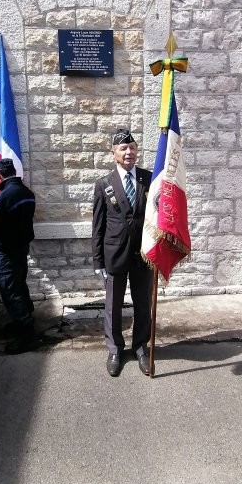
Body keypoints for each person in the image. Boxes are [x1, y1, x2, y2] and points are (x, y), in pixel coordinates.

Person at [92, 128, 153, 377]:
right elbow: (98, 226)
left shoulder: (150, 179)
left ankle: (140, 346)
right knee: (113, 306)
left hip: (144, 255)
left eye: (132, 147)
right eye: (123, 148)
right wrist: (98, 261)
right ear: (113, 153)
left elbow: (158, 216)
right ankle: (115, 349)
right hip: (114, 255)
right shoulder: (104, 184)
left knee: (142, 304)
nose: (129, 152)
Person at [0, 158, 37, 354]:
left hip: (7, 250)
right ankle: (25, 317)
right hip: (21, 247)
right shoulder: (27, 193)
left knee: (9, 288)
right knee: (19, 283)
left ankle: (26, 333)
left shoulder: (4, 196)